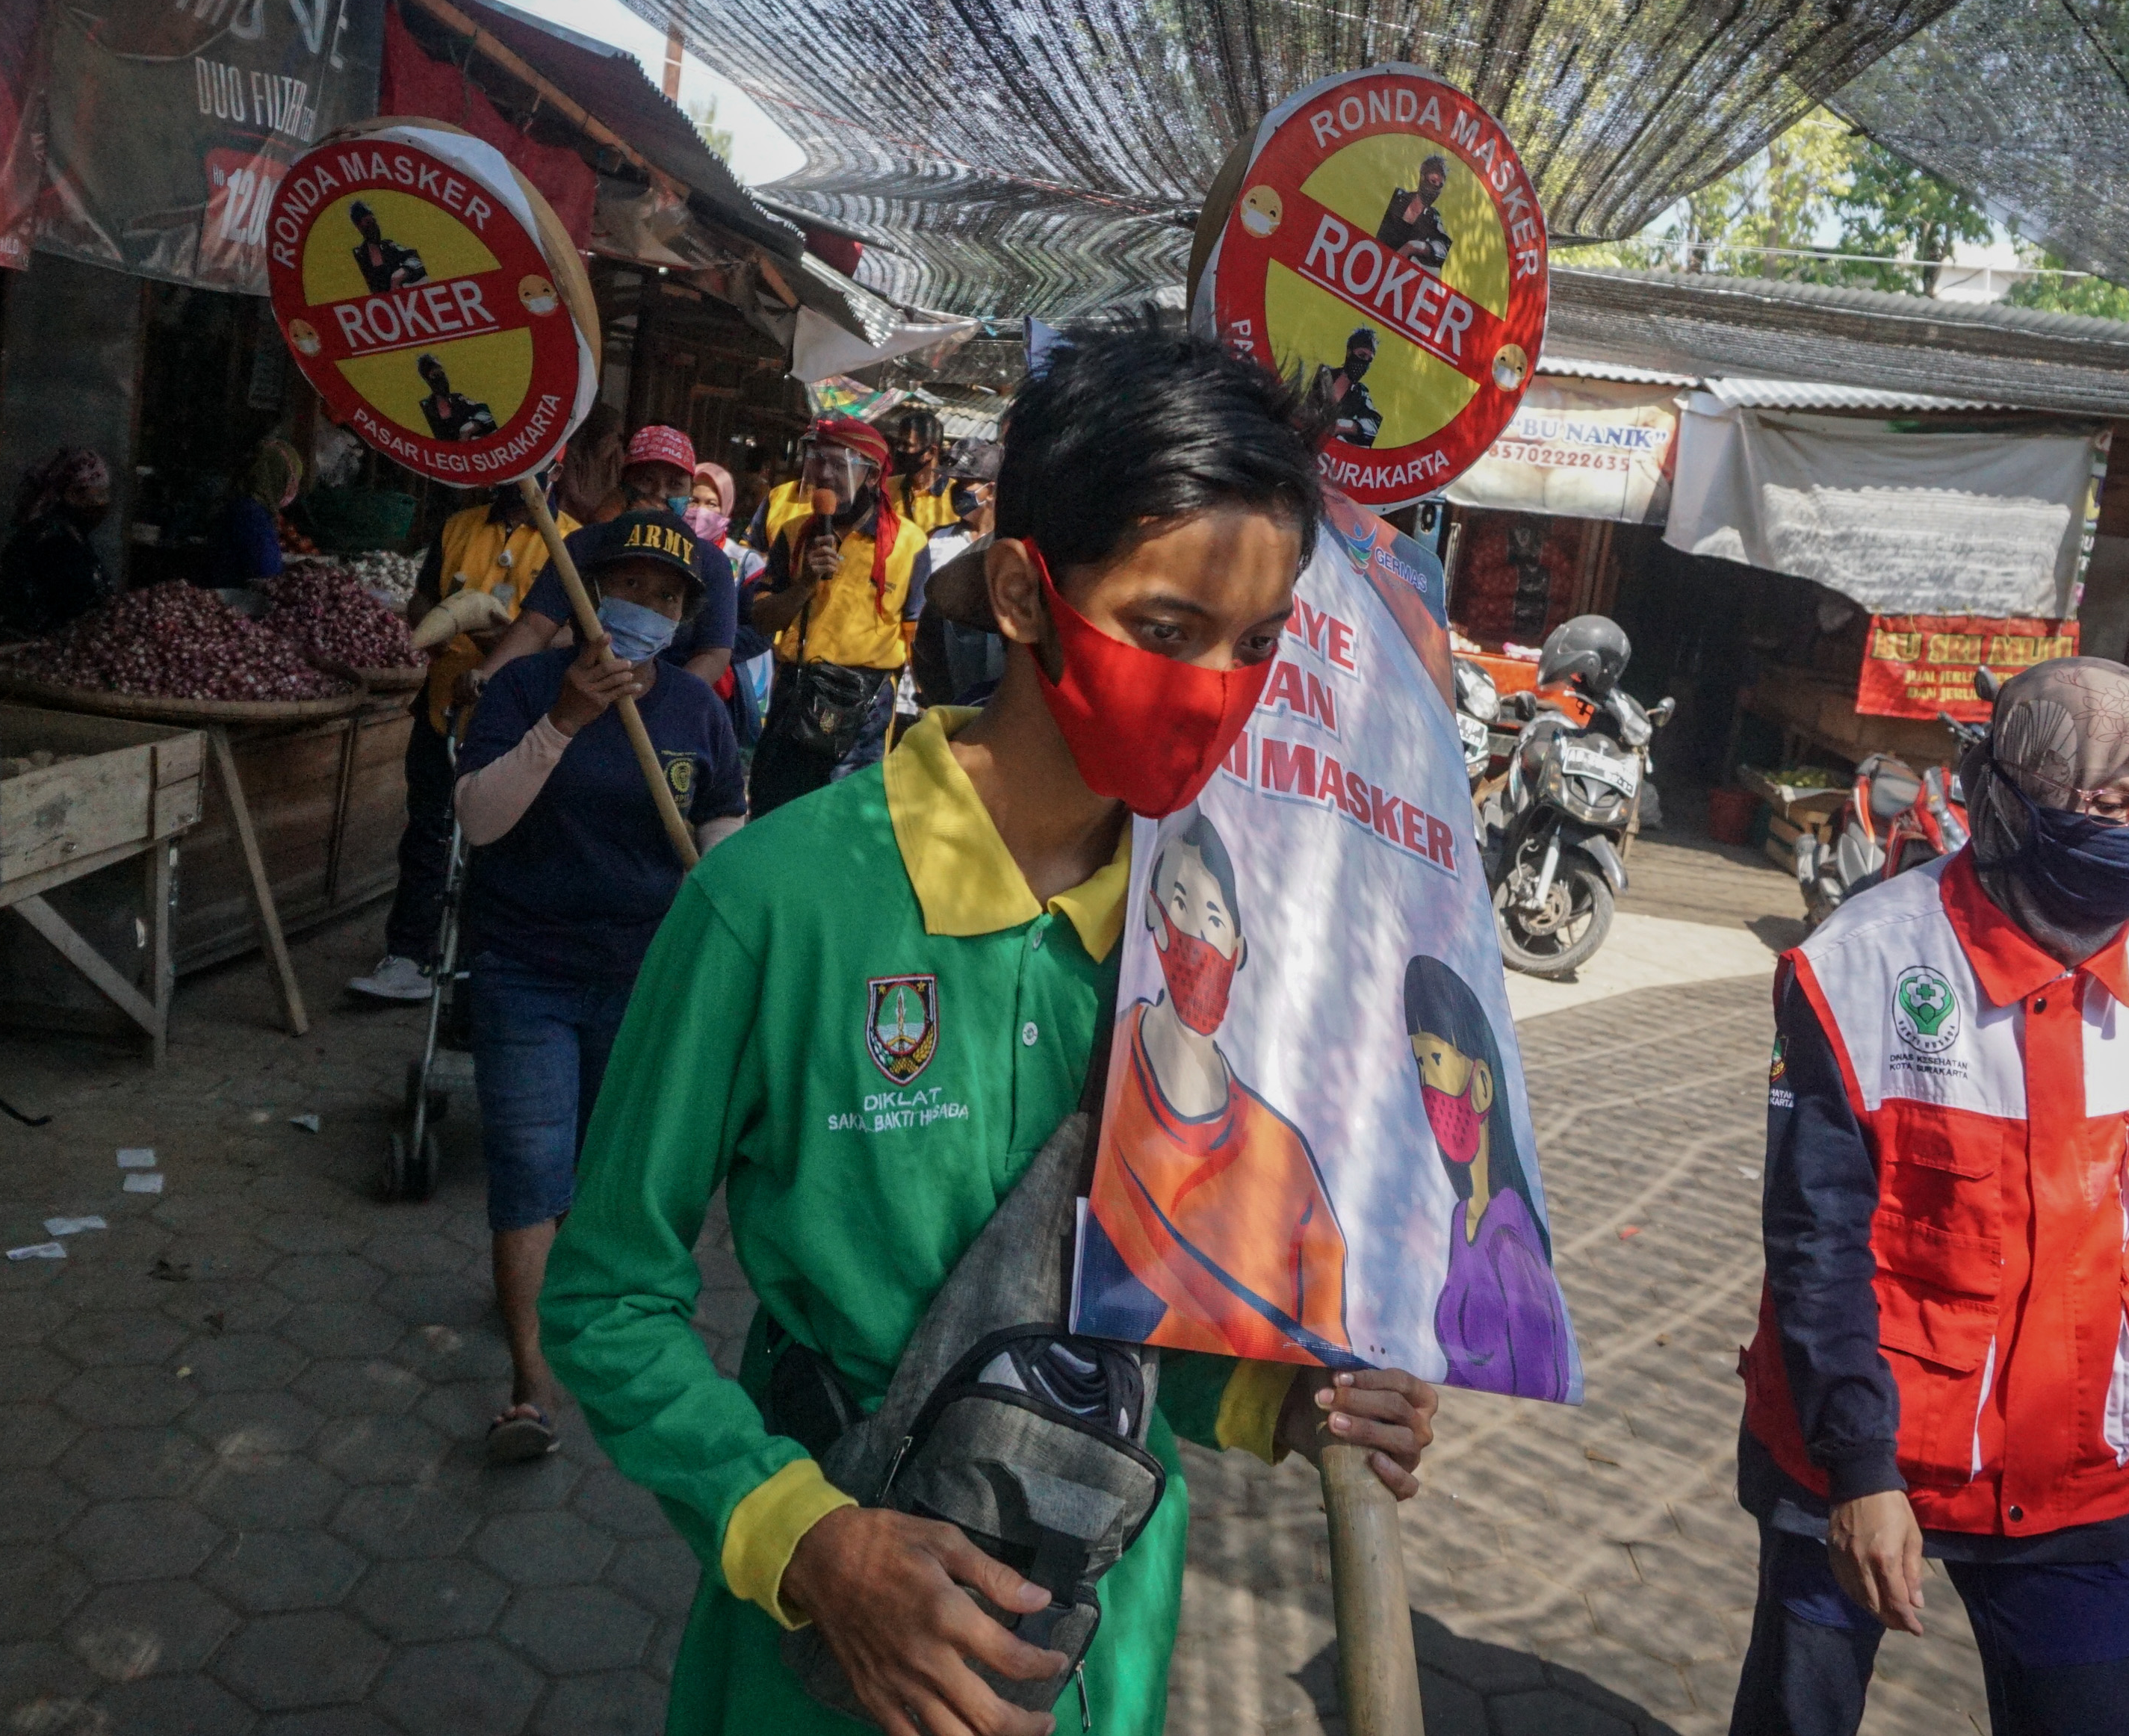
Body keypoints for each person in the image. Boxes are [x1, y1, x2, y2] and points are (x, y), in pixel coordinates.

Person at [539, 322, 1437, 1736]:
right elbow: (604, 1296)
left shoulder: (1221, 943)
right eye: (1163, 628)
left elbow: (1148, 1301)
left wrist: (1290, 1401)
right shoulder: (771, 904)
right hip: (822, 1660)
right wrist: (809, 1541)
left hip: (1096, 1644)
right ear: (1024, 592)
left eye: (1255, 643)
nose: (1215, 685)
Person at [1732, 655, 2129, 1736]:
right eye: (2106, 804)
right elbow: (1817, 1236)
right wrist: (1860, 1469)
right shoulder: (1865, 962)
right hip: (1868, 1457)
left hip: (2080, 1474)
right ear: (2011, 798)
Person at [451, 511, 746, 1463]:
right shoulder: (526, 686)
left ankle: (594, 1331)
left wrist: (721, 885)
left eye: (667, 600)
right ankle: (531, 1389)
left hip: (644, 978)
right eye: (628, 590)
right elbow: (480, 823)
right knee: (532, 1175)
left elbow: (724, 819)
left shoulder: (696, 713)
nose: (645, 611)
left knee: (605, 1174)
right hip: (523, 971)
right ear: (586, 594)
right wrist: (565, 723)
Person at [1077, 816, 1352, 1363]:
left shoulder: (1282, 1156)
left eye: (1212, 918)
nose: (1197, 938)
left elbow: (1324, 1342)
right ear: (1151, 916)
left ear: (1239, 948)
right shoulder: (1097, 1071)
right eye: (1179, 905)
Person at [348, 482, 577, 1005]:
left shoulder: (571, 541)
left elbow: (576, 632)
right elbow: (423, 598)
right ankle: (409, 954)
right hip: (445, 709)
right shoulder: (459, 526)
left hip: (520, 721)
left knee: (503, 844)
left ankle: (484, 962)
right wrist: (441, 621)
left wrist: (517, 642)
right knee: (429, 834)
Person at [473, 424, 739, 698]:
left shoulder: (710, 562)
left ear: (690, 491)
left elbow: (714, 653)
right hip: (574, 695)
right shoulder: (585, 545)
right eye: (646, 480)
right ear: (623, 482)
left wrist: (662, 705)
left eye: (675, 485)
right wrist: (486, 676)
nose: (660, 494)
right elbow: (535, 626)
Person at [1404, 955, 1567, 1401]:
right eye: (1419, 1064)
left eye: (1435, 1058)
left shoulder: (1510, 1240)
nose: (1427, 1082)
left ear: (1481, 1084)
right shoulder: (1463, 1218)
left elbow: (1544, 1372)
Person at [744, 417, 926, 816]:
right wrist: (804, 585)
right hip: (796, 690)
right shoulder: (793, 534)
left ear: (873, 474)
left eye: (837, 462)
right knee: (773, 816)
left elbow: (918, 637)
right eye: (816, 460)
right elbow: (760, 621)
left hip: (866, 704)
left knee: (843, 821)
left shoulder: (909, 543)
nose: (823, 474)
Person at [910, 436, 1002, 710]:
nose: (957, 492)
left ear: (992, 490)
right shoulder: (935, 540)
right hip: (942, 674)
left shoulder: (1008, 546)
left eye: (966, 485)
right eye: (955, 485)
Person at [0, 445, 114, 642]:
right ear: (61, 494)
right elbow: (73, 606)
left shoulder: (72, 534)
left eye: (103, 495)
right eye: (89, 495)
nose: (98, 504)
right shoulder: (51, 541)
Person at [690, 460, 775, 752]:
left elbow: (761, 634)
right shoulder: (667, 550)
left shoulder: (745, 562)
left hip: (727, 694)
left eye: (711, 503)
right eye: (693, 500)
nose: (700, 511)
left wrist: (709, 648)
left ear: (726, 508)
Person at [207, 437, 300, 588]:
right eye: (291, 480)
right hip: (238, 600)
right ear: (279, 479)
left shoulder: (238, 504)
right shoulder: (252, 516)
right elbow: (265, 572)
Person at [1375, 155, 1453, 276]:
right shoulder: (1397, 197)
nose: (1435, 188)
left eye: (1440, 186)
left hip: (1392, 277)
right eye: (1433, 181)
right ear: (1422, 178)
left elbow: (1444, 247)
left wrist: (1415, 246)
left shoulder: (1432, 217)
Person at [881, 403, 955, 530]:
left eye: (907, 445)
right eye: (898, 444)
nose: (900, 450)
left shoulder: (954, 495)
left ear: (931, 452)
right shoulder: (886, 488)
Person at [1322, 327, 1383, 447]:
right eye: (1361, 355)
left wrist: (1345, 425)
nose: (1364, 363)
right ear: (1349, 353)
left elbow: (1374, 423)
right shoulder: (1322, 374)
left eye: (1369, 360)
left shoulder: (1360, 394)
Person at [349, 199, 426, 294]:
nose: (374, 226)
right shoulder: (358, 255)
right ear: (359, 227)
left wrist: (403, 272)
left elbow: (415, 257)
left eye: (374, 221)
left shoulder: (389, 246)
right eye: (368, 223)